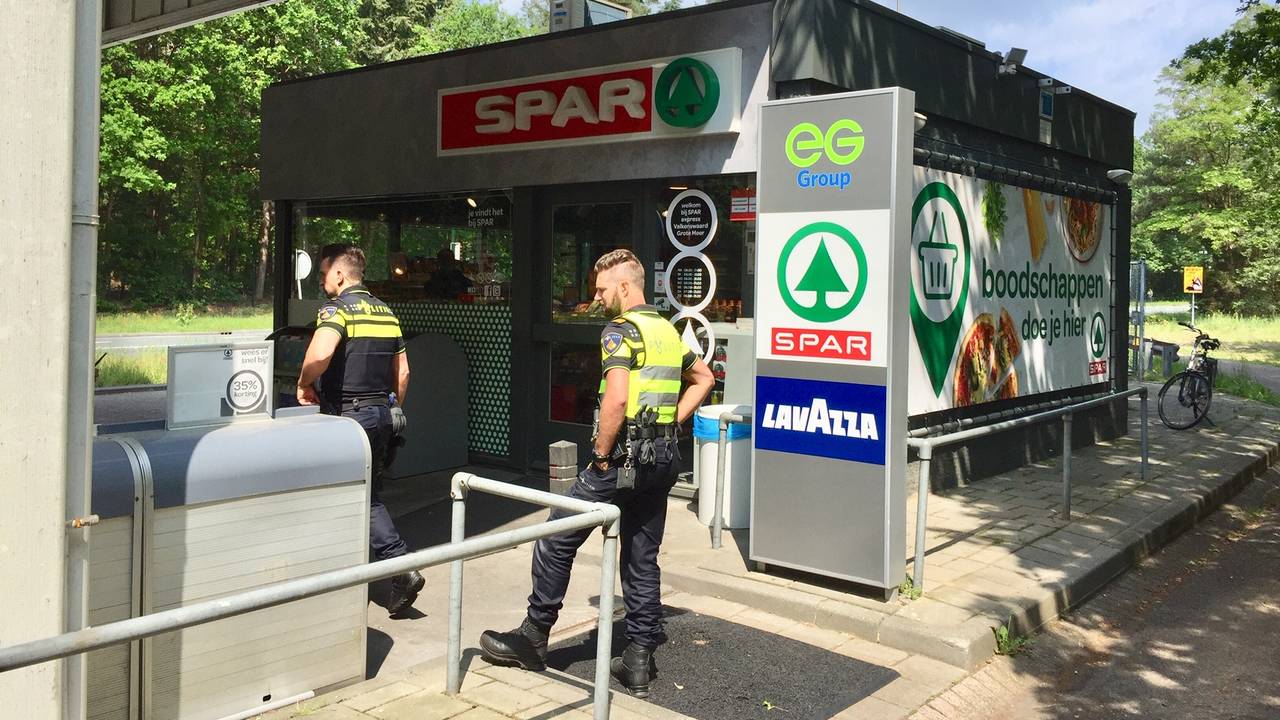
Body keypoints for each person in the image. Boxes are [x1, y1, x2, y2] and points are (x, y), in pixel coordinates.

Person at [479, 249, 714, 698]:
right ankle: (639, 659)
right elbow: (702, 378)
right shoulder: (667, 330)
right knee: (642, 555)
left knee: (555, 538)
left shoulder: (620, 331)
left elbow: (617, 400)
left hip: (622, 458)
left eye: (603, 289)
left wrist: (602, 455)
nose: (598, 297)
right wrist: (672, 425)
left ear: (625, 287)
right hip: (662, 457)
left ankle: (533, 637)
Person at [297, 244, 424, 616]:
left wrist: (305, 384)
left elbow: (320, 355)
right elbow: (403, 373)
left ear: (339, 274)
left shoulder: (337, 311)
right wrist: (391, 407)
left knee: (350, 495)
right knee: (367, 493)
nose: (322, 281)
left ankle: (398, 567)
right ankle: (377, 567)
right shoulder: (385, 312)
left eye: (323, 274)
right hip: (380, 416)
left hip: (345, 419)